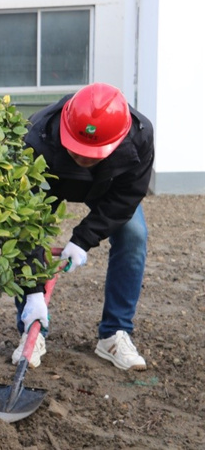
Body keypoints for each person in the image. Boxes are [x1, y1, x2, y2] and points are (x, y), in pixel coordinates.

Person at [12, 82, 154, 372]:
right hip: (51, 180)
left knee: (134, 235)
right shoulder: (36, 136)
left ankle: (114, 333)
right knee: (26, 235)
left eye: (92, 153)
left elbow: (125, 198)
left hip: (107, 184)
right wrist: (34, 292)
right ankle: (31, 329)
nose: (83, 158)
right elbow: (23, 222)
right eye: (78, 150)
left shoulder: (140, 136)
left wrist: (82, 239)